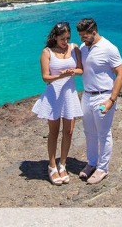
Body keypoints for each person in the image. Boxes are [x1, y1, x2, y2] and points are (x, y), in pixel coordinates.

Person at [31, 21, 83, 185]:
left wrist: (72, 71)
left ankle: (63, 164)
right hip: (54, 95)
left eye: (67, 38)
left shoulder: (74, 48)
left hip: (69, 95)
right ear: (55, 37)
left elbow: (81, 69)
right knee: (53, 132)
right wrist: (60, 76)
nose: (65, 42)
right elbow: (45, 77)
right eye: (62, 39)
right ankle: (52, 165)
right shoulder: (46, 52)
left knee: (68, 131)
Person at [76, 17, 122, 184]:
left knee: (104, 134)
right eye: (80, 35)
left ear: (94, 32)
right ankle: (91, 163)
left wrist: (111, 100)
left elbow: (120, 73)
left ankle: (102, 168)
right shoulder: (84, 47)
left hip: (103, 96)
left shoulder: (109, 48)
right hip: (87, 95)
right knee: (89, 133)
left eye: (84, 35)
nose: (82, 39)